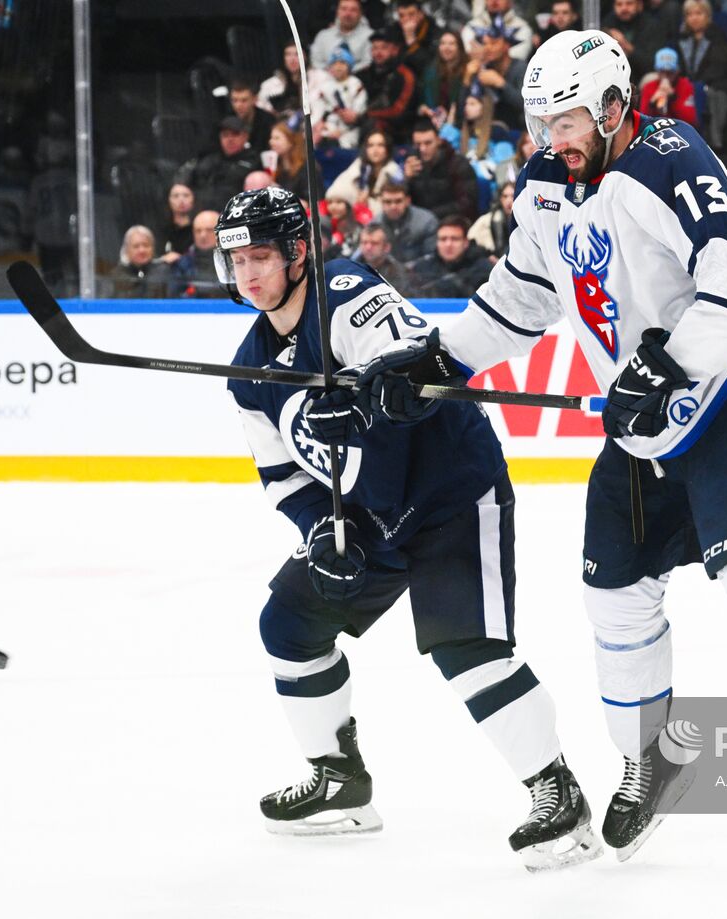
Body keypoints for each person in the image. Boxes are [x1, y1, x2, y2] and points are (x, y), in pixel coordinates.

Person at [386, 27, 727, 860]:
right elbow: (523, 296)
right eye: (542, 122)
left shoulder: (670, 157)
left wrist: (668, 362)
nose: (552, 138)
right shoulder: (545, 182)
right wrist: (441, 359)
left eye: (567, 121)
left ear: (615, 105)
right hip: (641, 423)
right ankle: (651, 759)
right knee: (614, 593)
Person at [215, 186, 600, 870]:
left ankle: (557, 791)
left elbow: (416, 364)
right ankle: (339, 779)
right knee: (289, 624)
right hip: (367, 515)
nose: (248, 274)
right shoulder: (249, 374)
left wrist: (366, 403)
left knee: (466, 646)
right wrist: (324, 532)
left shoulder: (344, 291)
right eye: (237, 260)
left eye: (261, 257)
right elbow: (285, 479)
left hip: (449, 488)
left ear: (298, 253)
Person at [676, 0, 727, 149]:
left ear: (707, 16)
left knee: (715, 95)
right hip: (686, 83)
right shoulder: (681, 37)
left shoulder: (717, 36)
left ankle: (714, 141)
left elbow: (719, 66)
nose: (694, 18)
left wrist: (697, 84)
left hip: (714, 83)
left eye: (698, 13)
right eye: (690, 14)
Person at [174, 118, 258, 215]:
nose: (230, 139)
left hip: (236, 214)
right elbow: (185, 178)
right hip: (200, 213)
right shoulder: (210, 159)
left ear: (245, 136)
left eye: (235, 134)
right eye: (225, 135)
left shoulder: (254, 161)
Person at [404, 118, 479, 220]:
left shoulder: (457, 164)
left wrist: (430, 216)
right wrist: (406, 179)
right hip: (420, 223)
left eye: (428, 143)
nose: (422, 149)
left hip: (452, 221)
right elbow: (400, 202)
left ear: (438, 141)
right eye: (418, 144)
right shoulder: (412, 164)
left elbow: (467, 203)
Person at [441, 89, 516, 187]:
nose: (466, 107)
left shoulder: (497, 131)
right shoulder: (461, 132)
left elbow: (504, 164)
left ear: (484, 106)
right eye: (466, 104)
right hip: (464, 185)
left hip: (490, 186)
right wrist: (450, 120)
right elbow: (443, 146)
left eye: (472, 104)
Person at [326, 130, 406, 221]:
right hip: (356, 215)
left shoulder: (394, 171)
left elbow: (392, 206)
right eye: (370, 145)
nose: (375, 150)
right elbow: (338, 187)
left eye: (380, 145)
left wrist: (367, 203)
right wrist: (341, 202)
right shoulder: (359, 164)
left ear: (387, 149)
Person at [404, 215, 493, 295]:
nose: (448, 244)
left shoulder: (483, 269)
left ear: (466, 242)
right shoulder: (422, 268)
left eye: (455, 239)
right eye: (443, 239)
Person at [361, 27, 417, 145]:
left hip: (397, 130)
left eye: (384, 47)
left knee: (373, 124)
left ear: (395, 50)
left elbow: (399, 112)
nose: (378, 52)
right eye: (375, 48)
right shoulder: (362, 74)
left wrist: (366, 115)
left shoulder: (405, 76)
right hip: (362, 121)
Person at [312, 48, 368, 150]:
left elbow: (357, 115)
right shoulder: (324, 86)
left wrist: (342, 130)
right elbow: (318, 110)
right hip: (327, 128)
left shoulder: (356, 84)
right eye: (334, 63)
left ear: (349, 66)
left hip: (349, 131)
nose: (338, 67)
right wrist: (319, 124)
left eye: (342, 63)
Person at [260, 41, 328, 121]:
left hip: (313, 123)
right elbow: (261, 106)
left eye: (297, 54)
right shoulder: (270, 84)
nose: (292, 59)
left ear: (306, 57)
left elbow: (327, 105)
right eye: (288, 54)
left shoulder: (320, 77)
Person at [378, 180, 439, 262]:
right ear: (381, 202)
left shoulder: (427, 222)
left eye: (398, 201)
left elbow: (432, 257)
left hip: (420, 269)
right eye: (388, 202)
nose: (393, 206)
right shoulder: (375, 224)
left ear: (408, 201)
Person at [417, 30, 468, 125]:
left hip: (458, 123)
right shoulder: (430, 71)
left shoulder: (467, 71)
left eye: (451, 44)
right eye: (443, 43)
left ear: (459, 48)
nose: (446, 47)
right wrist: (424, 108)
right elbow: (421, 100)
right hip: (432, 120)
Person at [638, 47, 698, 126]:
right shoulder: (649, 87)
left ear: (677, 71)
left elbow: (690, 120)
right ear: (657, 71)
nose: (665, 76)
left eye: (670, 72)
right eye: (662, 71)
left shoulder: (685, 86)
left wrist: (673, 98)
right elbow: (642, 121)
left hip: (678, 128)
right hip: (656, 129)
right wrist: (652, 103)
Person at [108, 225, 171, 298]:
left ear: (152, 248)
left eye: (146, 245)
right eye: (136, 246)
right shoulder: (117, 275)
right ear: (127, 250)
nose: (142, 250)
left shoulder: (164, 272)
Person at [311, 0, 373, 73]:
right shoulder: (323, 36)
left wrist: (345, 72)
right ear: (337, 12)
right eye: (344, 9)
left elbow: (368, 62)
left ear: (360, 14)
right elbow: (315, 61)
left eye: (353, 10)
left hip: (359, 77)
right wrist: (331, 72)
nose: (348, 14)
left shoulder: (370, 36)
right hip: (325, 77)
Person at [174, 209, 224, 297]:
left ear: (221, 232)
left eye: (209, 230)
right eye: (198, 231)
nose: (203, 235)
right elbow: (176, 296)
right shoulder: (182, 263)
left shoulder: (235, 259)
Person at [268, 121, 322, 201]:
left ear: (291, 141)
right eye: (271, 138)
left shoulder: (307, 168)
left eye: (277, 138)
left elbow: (313, 200)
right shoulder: (275, 166)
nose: (271, 142)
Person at [463, 0, 534, 61]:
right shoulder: (472, 26)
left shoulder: (522, 27)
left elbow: (518, 56)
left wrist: (485, 53)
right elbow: (468, 53)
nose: (494, 0)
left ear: (510, 1)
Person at [354, 220, 411, 290]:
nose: (368, 247)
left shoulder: (400, 274)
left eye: (374, 243)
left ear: (386, 247)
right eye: (364, 242)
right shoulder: (352, 268)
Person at [392, 0, 441, 78]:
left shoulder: (435, 32)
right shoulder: (394, 30)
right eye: (401, 16)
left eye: (411, 14)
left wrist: (411, 39)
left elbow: (429, 67)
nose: (406, 19)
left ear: (421, 14)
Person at [468, 179, 514, 259]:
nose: (509, 200)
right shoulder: (487, 220)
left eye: (513, 196)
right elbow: (470, 241)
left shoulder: (528, 220)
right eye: (505, 196)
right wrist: (487, 256)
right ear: (500, 199)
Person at [229, 81, 276, 155]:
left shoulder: (268, 121)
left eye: (244, 100)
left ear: (255, 99)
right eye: (235, 100)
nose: (238, 105)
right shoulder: (226, 120)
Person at [157, 182, 195, 264]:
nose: (181, 200)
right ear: (168, 200)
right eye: (176, 196)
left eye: (186, 195)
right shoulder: (160, 231)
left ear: (193, 199)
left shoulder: (200, 229)